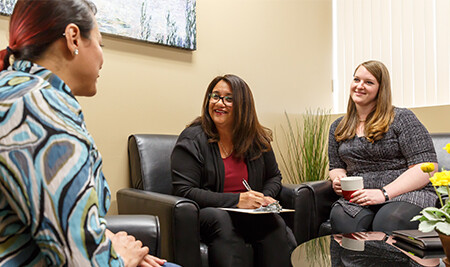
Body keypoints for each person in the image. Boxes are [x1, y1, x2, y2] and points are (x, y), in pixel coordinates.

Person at [0, 1, 179, 266]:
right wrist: (123, 256)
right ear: (73, 38)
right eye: (100, 43)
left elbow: (55, 216)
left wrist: (106, 242)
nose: (102, 57)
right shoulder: (39, 112)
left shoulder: (16, 93)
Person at [171, 74, 297, 267]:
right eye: (215, 96)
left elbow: (274, 176)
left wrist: (261, 199)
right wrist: (237, 201)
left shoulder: (256, 139)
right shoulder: (192, 139)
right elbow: (185, 191)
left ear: (243, 105)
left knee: (274, 223)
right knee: (221, 219)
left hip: (248, 215)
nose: (220, 103)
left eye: (229, 99)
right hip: (210, 214)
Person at [328, 60, 438, 234]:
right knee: (344, 220)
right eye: (356, 79)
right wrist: (338, 179)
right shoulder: (338, 126)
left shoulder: (402, 118)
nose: (360, 86)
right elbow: (336, 167)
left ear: (381, 89)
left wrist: (383, 193)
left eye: (369, 82)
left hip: (405, 194)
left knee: (388, 221)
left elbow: (427, 167)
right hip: (359, 196)